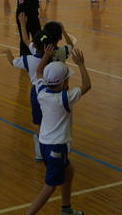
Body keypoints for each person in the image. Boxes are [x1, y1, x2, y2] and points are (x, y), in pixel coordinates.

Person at [26, 45, 90, 215]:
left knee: (68, 172)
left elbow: (39, 71)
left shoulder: (41, 91)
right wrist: (81, 64)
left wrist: (46, 56)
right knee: (50, 187)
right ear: (64, 83)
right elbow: (87, 85)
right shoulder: (65, 99)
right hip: (56, 148)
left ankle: (66, 209)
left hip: (45, 143)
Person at [6, 16, 76, 160]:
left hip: (38, 91)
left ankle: (41, 147)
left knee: (41, 121)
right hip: (60, 90)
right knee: (62, 118)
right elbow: (71, 46)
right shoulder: (62, 52)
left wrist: (23, 23)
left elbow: (26, 40)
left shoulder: (32, 56)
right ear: (58, 38)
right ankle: (62, 143)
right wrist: (64, 31)